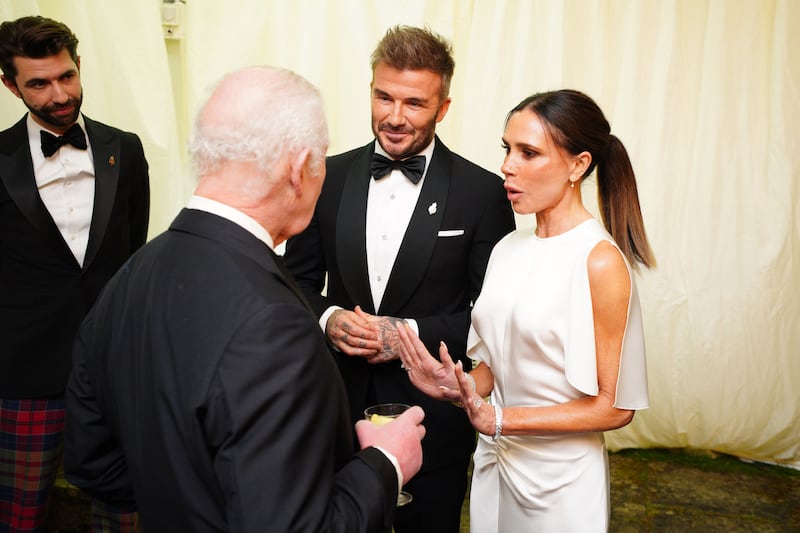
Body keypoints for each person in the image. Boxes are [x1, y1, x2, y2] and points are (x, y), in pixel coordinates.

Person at [63, 65, 427, 533]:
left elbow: (92, 463)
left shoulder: (130, 276)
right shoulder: (273, 324)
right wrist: (385, 461)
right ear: (300, 169)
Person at [283, 25, 515, 533]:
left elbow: (490, 317)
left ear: (443, 107)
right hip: (335, 409)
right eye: (383, 97)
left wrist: (404, 335)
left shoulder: (484, 194)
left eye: (414, 103)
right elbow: (291, 282)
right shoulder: (327, 174)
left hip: (434, 417)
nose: (394, 116)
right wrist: (328, 317)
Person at [397, 89, 656, 532]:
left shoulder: (599, 260)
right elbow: (497, 372)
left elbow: (616, 408)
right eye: (508, 149)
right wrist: (454, 385)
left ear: (579, 164)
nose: (507, 166)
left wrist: (500, 419)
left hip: (560, 485)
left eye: (528, 153)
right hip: (495, 468)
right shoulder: (507, 249)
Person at [0, 15, 149, 531]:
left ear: (79, 66)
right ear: (9, 84)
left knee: (123, 512)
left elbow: (133, 258)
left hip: (113, 368)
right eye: (38, 84)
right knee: (19, 515)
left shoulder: (124, 149)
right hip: (22, 374)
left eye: (66, 76)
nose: (59, 94)